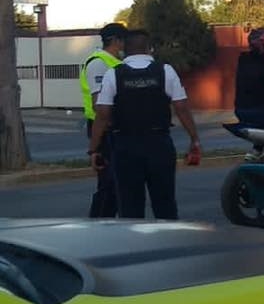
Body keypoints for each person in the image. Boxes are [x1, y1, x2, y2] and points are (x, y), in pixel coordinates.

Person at [87, 29, 201, 220]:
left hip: (126, 147)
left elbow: (102, 114)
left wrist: (94, 149)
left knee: (130, 207)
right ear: (149, 49)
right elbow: (181, 107)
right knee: (165, 204)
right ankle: (167, 236)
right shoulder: (165, 71)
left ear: (125, 50)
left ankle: (134, 237)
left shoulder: (113, 74)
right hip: (159, 144)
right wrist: (194, 139)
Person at [79, 22, 126, 217]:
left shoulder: (115, 63)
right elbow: (99, 104)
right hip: (103, 128)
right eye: (124, 41)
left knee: (118, 183)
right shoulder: (98, 63)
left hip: (113, 128)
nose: (126, 46)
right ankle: (98, 223)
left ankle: (110, 222)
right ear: (115, 41)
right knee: (108, 183)